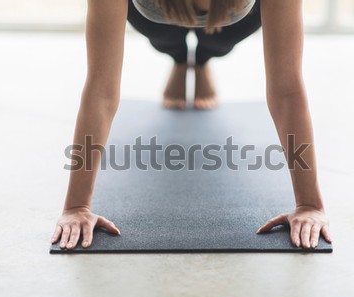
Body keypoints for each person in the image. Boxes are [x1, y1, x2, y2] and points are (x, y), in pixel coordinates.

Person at [51, 0, 332, 250]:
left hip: (231, 21)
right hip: (156, 16)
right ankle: (178, 59)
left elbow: (286, 93)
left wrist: (309, 204)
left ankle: (201, 61)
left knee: (218, 41)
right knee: (165, 36)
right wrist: (77, 206)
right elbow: (101, 92)